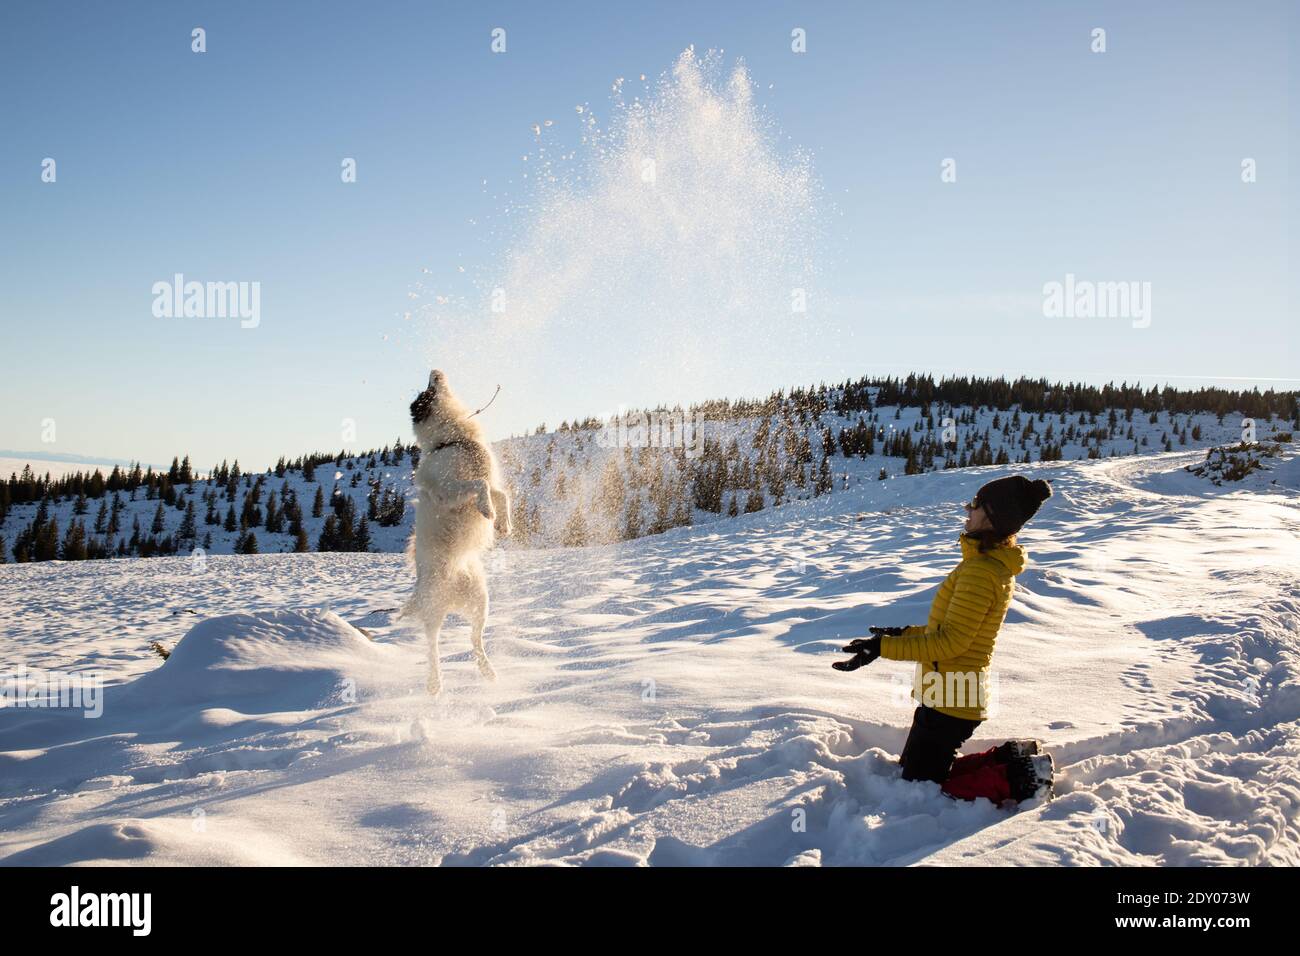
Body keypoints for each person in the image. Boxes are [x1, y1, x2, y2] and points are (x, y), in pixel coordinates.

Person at [833, 474, 1055, 804]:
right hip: (947, 691)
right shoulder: (981, 565)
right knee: (916, 770)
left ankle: (1020, 778)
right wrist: (900, 635)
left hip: (953, 697)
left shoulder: (981, 573)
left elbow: (951, 642)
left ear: (992, 517)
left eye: (976, 505)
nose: (967, 509)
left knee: (923, 787)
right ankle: (1011, 757)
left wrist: (883, 649)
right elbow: (947, 631)